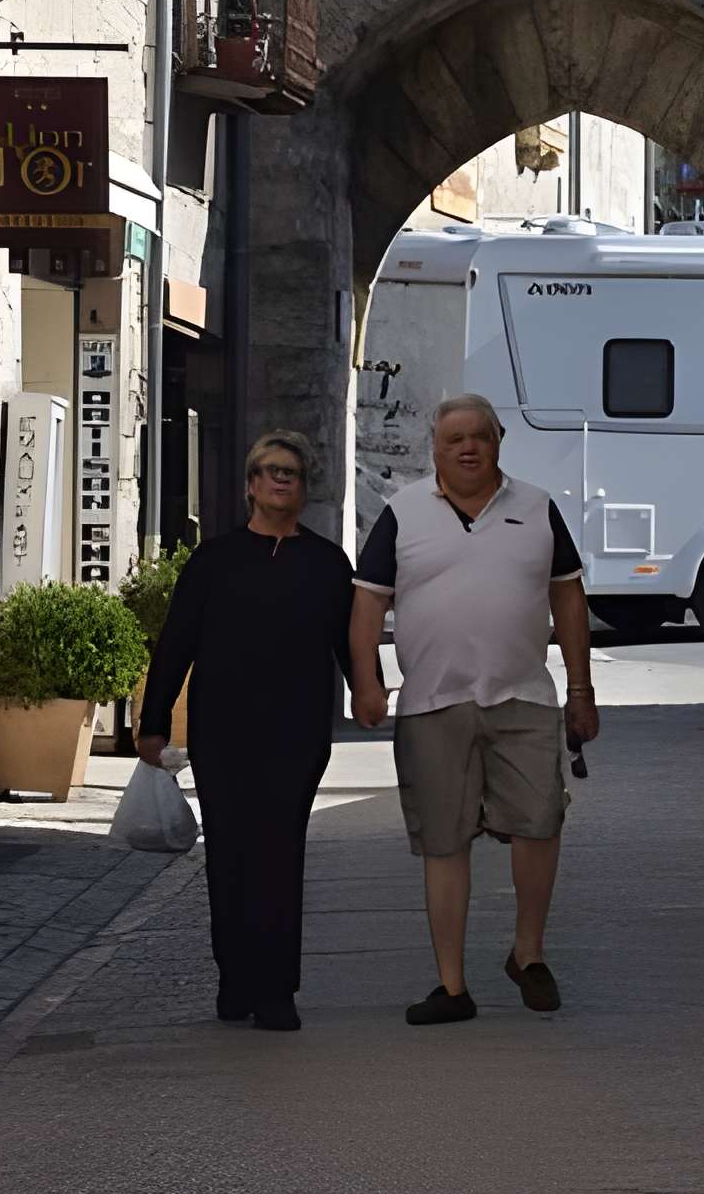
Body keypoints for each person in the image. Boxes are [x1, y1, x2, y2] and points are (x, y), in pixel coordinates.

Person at [349, 392, 600, 1027]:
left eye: (479, 437)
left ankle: (528, 953)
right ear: (433, 447)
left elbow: (569, 599)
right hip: (433, 702)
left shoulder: (538, 508)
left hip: (525, 697)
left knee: (540, 825)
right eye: (454, 437)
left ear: (497, 443)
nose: (467, 447)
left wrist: (580, 689)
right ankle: (452, 986)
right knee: (444, 842)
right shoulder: (403, 513)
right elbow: (367, 604)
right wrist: (367, 681)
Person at [136, 432, 355, 1031]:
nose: (282, 480)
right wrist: (152, 724)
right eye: (271, 470)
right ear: (250, 485)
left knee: (281, 856)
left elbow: (349, 641)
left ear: (303, 490)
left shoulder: (328, 564)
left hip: (298, 734)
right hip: (223, 734)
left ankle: (277, 991)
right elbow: (175, 645)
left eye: (293, 473)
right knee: (229, 857)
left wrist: (368, 689)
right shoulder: (213, 561)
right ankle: (234, 978)